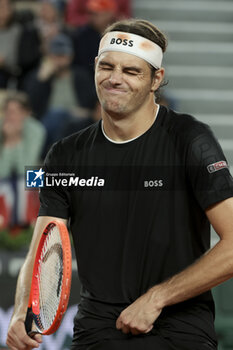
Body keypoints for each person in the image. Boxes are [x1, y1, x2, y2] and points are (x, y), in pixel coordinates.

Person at [6, 18, 233, 350]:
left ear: (156, 79)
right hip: (97, 330)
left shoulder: (190, 139)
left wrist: (157, 298)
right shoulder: (65, 154)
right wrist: (21, 310)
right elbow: (43, 247)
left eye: (131, 71)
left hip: (177, 330)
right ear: (95, 67)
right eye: (107, 66)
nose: (115, 79)